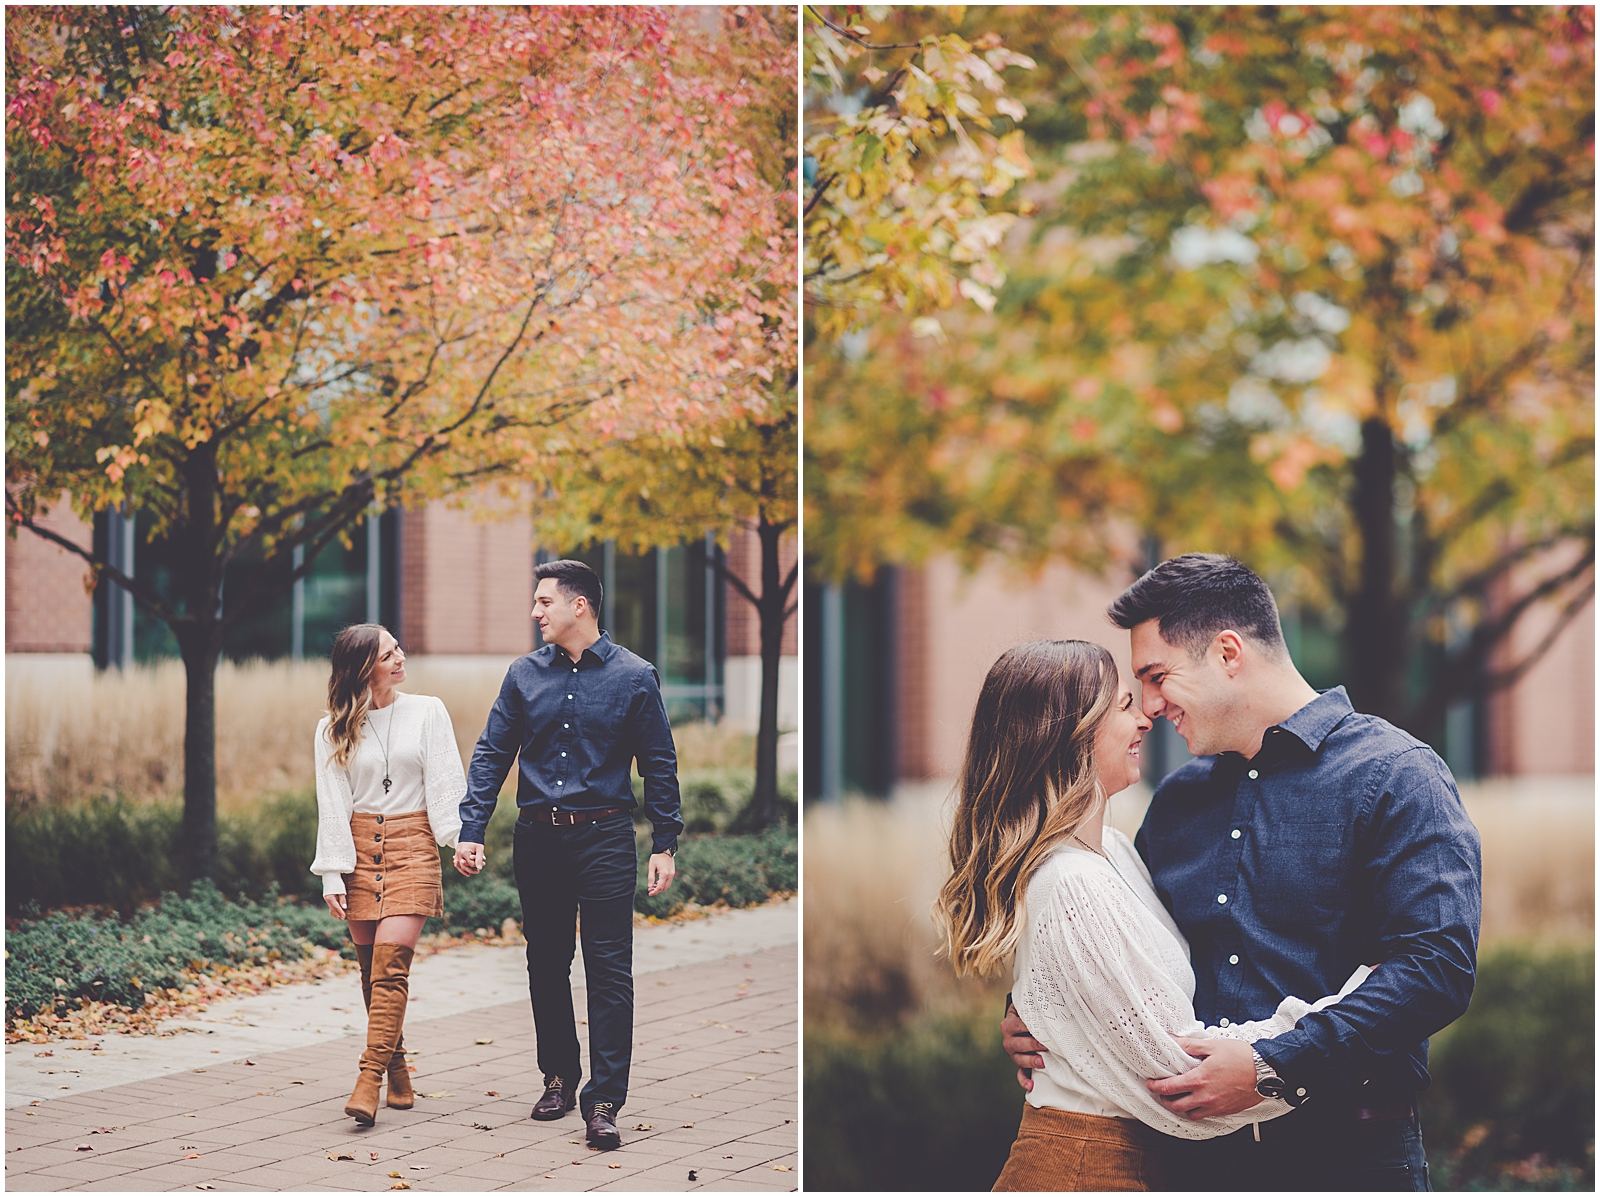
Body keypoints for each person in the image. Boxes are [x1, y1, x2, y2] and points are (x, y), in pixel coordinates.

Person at [1002, 554, 1482, 1191]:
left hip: (1350, 1159)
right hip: (1188, 1163)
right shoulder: (1176, 802)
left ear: (1228, 653)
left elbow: (1435, 968)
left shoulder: (1396, 775)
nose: (1147, 706)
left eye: (1156, 675)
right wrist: (1038, 1009)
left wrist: (1271, 1065)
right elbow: (1121, 941)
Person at [934, 640, 1371, 1192]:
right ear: (1069, 734)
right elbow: (1184, 1082)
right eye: (1122, 706)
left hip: (1127, 1159)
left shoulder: (1113, 854)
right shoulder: (1072, 882)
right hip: (1084, 1165)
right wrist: (1352, 1001)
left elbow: (1106, 984)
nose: (1145, 716)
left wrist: (1044, 1012)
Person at [454, 558, 682, 1151]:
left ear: (579, 605)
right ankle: (558, 1076)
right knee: (546, 963)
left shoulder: (635, 677)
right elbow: (490, 754)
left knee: (609, 972)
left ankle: (604, 1101)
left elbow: (658, 763)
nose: (536, 612)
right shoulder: (522, 675)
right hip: (538, 836)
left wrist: (665, 841)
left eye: (544, 602)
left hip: (605, 836)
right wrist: (471, 828)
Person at [310, 623, 467, 1126]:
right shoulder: (332, 727)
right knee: (370, 973)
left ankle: (368, 1079)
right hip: (357, 850)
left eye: (398, 648)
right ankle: (397, 1067)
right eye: (387, 654)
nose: (400, 658)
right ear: (362, 668)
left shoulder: (428, 710)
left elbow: (446, 783)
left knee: (391, 967)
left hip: (412, 846)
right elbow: (331, 805)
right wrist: (332, 873)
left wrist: (460, 838)